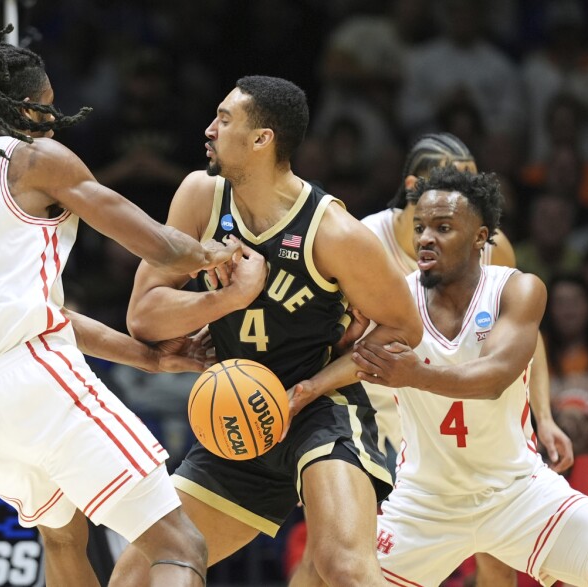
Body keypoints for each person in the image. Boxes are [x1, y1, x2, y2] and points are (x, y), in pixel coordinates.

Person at [0, 13, 245, 587]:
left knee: (62, 538)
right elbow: (157, 245)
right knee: (179, 544)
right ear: (29, 109)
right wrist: (220, 257)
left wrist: (149, 358)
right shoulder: (36, 160)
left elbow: (47, 315)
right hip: (33, 378)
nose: (55, 119)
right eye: (50, 106)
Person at [110, 75, 423, 587]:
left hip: (320, 410)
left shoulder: (334, 232)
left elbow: (404, 328)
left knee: (341, 567)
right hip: (237, 414)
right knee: (137, 578)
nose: (209, 130)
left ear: (262, 139)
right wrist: (228, 298)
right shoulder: (200, 198)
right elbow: (143, 315)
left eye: (225, 119)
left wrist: (313, 387)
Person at [293, 166, 588, 587]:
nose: (425, 238)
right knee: (324, 577)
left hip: (517, 491)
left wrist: (415, 375)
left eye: (443, 227)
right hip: (425, 502)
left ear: (479, 237)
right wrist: (303, 391)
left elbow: (493, 378)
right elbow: (353, 358)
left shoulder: (518, 289)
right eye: (420, 227)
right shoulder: (395, 299)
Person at [361, 132, 573, 586]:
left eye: (474, 187)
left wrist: (545, 416)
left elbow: (525, 338)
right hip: (378, 403)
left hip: (460, 395)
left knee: (495, 548)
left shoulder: (488, 243)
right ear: (418, 186)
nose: (465, 199)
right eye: (455, 185)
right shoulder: (362, 239)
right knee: (340, 553)